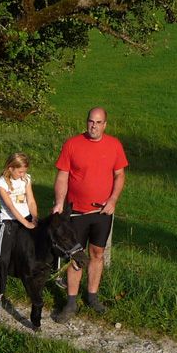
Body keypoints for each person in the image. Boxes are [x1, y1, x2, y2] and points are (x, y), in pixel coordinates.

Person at [52, 107, 128, 320]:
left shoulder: (114, 145)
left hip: (102, 212)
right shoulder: (72, 144)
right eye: (91, 121)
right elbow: (62, 176)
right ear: (87, 122)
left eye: (98, 122)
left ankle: (92, 297)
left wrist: (113, 200)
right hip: (77, 212)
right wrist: (59, 202)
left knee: (97, 254)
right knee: (76, 256)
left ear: (105, 125)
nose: (93, 126)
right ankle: (71, 302)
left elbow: (120, 175)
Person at [0, 152, 38, 317]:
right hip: (9, 222)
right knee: (2, 258)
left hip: (27, 218)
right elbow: (10, 207)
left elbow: (31, 200)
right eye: (20, 171)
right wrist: (25, 223)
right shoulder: (1, 183)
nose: (23, 174)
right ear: (10, 168)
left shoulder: (26, 179)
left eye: (25, 171)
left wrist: (34, 217)